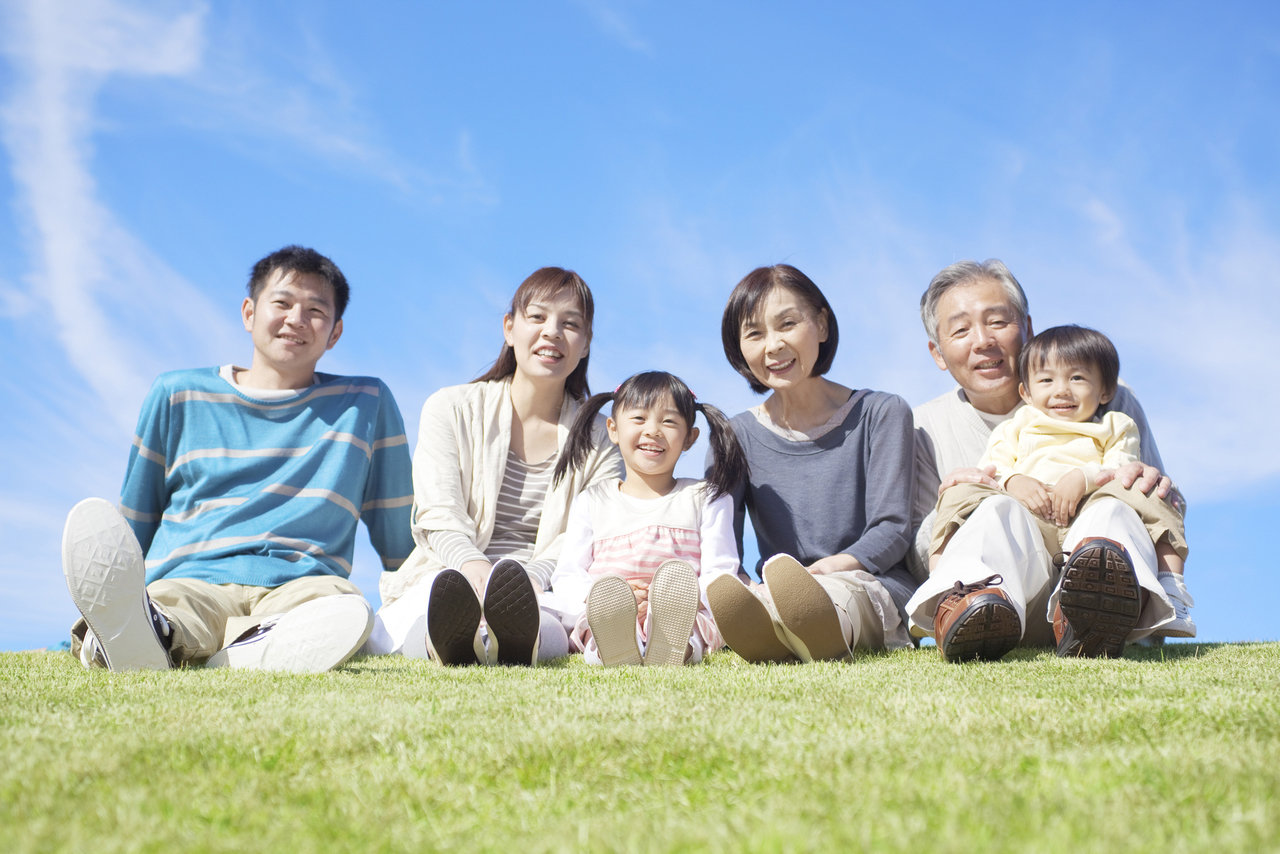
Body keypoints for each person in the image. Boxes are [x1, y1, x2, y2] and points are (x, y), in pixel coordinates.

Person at [61, 245, 414, 673]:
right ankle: (150, 633)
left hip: (303, 583)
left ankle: (246, 641)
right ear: (249, 313)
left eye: (316, 310)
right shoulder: (177, 394)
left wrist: (420, 602)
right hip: (192, 576)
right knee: (174, 606)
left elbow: (401, 535)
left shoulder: (366, 403)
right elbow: (136, 520)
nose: (296, 319)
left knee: (337, 606)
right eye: (282, 303)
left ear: (335, 332)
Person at [905, 259, 1189, 661]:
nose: (983, 340)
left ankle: (1098, 611)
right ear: (937, 352)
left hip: (1105, 590)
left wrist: (1143, 482)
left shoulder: (1107, 396)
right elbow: (917, 553)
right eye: (961, 330)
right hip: (1008, 599)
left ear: (1028, 329)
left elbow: (1159, 502)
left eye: (998, 322)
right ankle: (968, 601)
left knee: (1117, 509)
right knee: (994, 511)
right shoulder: (923, 426)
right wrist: (964, 496)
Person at [366, 267, 624, 665]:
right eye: (537, 317)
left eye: (570, 324)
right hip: (450, 574)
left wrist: (530, 579)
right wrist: (474, 567)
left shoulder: (601, 438)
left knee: (548, 625)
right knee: (432, 614)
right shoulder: (450, 408)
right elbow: (438, 511)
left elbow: (587, 534)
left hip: (545, 586)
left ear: (586, 343)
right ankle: (448, 644)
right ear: (509, 328)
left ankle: (514, 642)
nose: (552, 332)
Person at [703, 264, 919, 664]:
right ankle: (779, 626)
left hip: (869, 582)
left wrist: (824, 572)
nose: (773, 345)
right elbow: (722, 541)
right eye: (755, 334)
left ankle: (808, 626)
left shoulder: (882, 413)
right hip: (775, 588)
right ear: (739, 348)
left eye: (787, 324)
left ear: (821, 325)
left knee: (840, 596)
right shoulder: (733, 436)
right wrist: (746, 588)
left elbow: (892, 528)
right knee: (764, 602)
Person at [548, 371, 747, 666]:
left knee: (691, 629)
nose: (653, 430)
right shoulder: (592, 500)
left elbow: (720, 572)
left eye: (669, 421)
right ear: (613, 429)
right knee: (595, 625)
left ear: (690, 438)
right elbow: (568, 574)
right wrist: (608, 598)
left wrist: (674, 599)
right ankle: (612, 647)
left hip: (682, 612)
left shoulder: (708, 497)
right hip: (608, 612)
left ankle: (675, 648)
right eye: (639, 418)